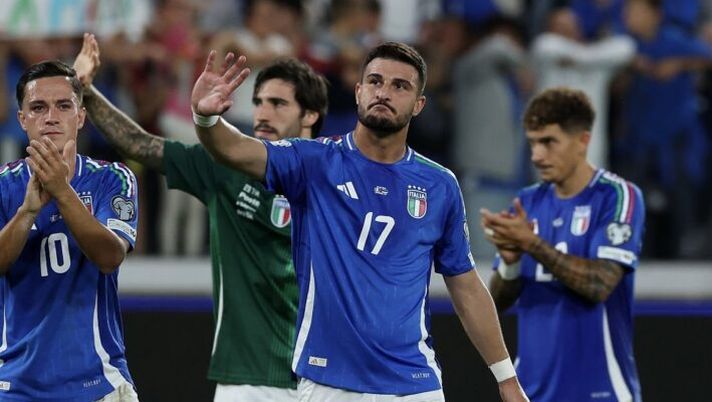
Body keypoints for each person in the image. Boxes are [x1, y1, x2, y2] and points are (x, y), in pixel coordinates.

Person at [191, 42, 528, 401]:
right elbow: (235, 149)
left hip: (414, 385)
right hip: (328, 383)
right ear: (358, 91)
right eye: (375, 81)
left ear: (419, 105)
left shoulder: (439, 184)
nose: (384, 92)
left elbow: (466, 286)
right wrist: (205, 118)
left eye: (400, 86)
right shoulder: (313, 162)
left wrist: (506, 377)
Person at [72, 33, 328, 401]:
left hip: (324, 379)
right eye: (257, 102)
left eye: (277, 103)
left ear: (311, 115)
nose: (262, 113)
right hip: (248, 381)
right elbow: (139, 144)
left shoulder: (335, 180)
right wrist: (86, 90)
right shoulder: (226, 170)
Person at [481, 87, 644, 402]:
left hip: (601, 391)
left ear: (583, 140)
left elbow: (599, 284)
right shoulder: (528, 201)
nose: (537, 155)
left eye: (548, 142)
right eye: (532, 142)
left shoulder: (618, 197)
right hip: (532, 392)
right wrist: (512, 262)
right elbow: (498, 302)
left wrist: (532, 243)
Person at [0, 61, 139, 400]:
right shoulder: (4, 186)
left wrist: (62, 192)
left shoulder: (113, 178)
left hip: (99, 382)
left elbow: (110, 257)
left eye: (63, 105)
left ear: (81, 116)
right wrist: (28, 211)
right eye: (38, 107)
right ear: (22, 120)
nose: (51, 117)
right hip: (16, 386)